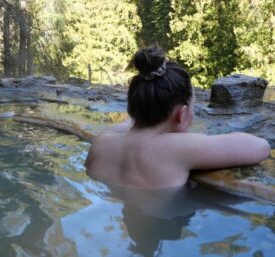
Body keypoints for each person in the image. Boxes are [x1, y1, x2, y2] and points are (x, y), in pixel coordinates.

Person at [85, 44, 270, 189]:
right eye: (192, 108)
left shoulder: (102, 142)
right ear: (181, 114)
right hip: (160, 220)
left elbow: (129, 124)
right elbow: (260, 147)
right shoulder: (176, 149)